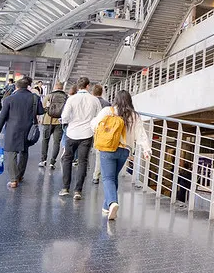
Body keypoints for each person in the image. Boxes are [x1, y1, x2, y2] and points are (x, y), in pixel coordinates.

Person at [90, 90, 151, 220]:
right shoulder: (135, 116)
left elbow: (95, 125)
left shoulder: (108, 111)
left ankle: (112, 203)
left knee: (107, 178)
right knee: (113, 177)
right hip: (124, 151)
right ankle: (107, 207)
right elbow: (140, 134)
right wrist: (146, 150)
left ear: (116, 99)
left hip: (108, 148)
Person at [0, 77, 44, 188]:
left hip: (12, 130)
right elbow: (40, 111)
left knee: (12, 153)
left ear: (16, 87)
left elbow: (2, 118)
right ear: (27, 87)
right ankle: (20, 176)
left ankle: (13, 179)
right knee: (24, 152)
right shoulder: (35, 98)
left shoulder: (9, 99)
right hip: (28, 129)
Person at [59, 77, 102, 200]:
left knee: (67, 159)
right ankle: (78, 190)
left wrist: (66, 122)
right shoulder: (94, 100)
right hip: (87, 134)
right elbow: (98, 117)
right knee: (83, 161)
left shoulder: (71, 99)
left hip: (71, 133)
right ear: (88, 86)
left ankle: (65, 188)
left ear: (78, 87)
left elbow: (65, 116)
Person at [39, 82, 67, 169]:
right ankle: (52, 162)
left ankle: (43, 160)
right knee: (56, 143)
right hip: (59, 122)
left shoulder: (49, 96)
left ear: (55, 87)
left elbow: (43, 107)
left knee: (45, 140)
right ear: (62, 88)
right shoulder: (66, 97)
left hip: (48, 121)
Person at [90, 84, 111, 184]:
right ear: (102, 92)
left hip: (88, 129)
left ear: (92, 92)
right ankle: (96, 175)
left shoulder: (89, 102)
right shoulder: (107, 104)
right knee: (99, 153)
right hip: (102, 131)